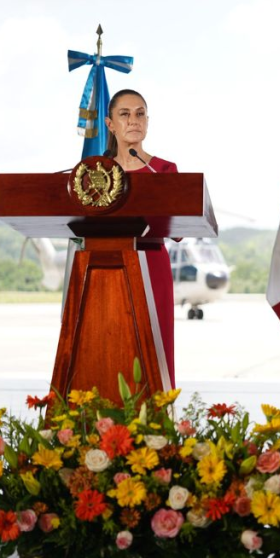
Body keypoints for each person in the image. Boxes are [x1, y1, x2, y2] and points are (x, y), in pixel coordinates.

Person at [104, 89, 179, 388]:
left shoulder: (163, 171)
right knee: (110, 345)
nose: (133, 120)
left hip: (152, 266)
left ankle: (158, 425)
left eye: (140, 113)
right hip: (106, 267)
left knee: (154, 347)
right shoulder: (97, 172)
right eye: (124, 114)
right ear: (111, 124)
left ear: (147, 121)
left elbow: (179, 228)